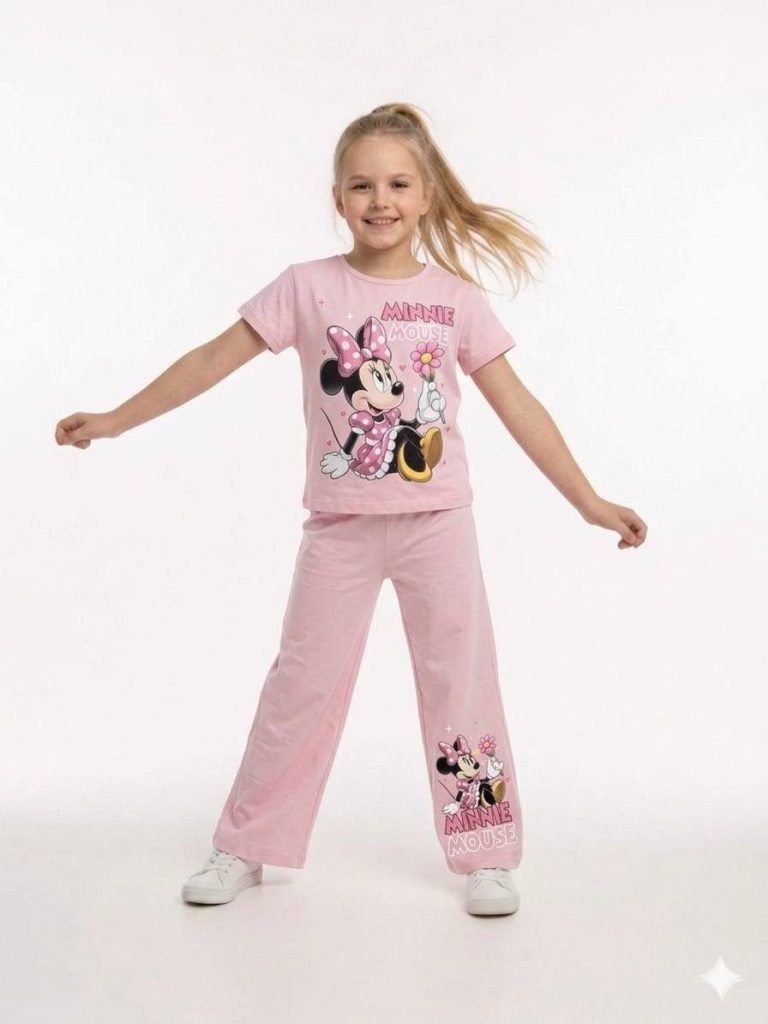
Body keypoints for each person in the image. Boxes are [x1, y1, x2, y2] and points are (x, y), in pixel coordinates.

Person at [54, 102, 647, 917]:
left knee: (462, 684)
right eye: (362, 185)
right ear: (338, 198)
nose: (381, 200)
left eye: (398, 184)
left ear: (426, 195)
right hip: (339, 530)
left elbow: (519, 405)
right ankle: (248, 844)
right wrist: (117, 419)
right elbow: (211, 360)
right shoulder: (306, 287)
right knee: (300, 685)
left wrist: (588, 501)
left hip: (438, 527)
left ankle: (486, 852)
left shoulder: (455, 299)